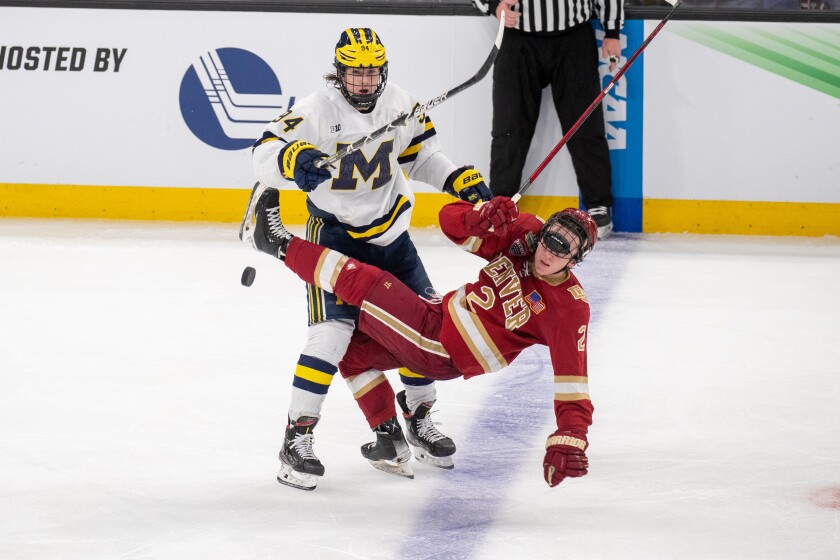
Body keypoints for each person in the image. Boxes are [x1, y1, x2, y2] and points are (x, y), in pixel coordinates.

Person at [248, 28, 494, 490]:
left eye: (371, 71)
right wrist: (293, 159)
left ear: (383, 71)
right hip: (336, 239)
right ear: (339, 72)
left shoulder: (400, 103)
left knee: (424, 329)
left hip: (393, 239)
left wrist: (456, 178)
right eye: (354, 72)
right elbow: (262, 152)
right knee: (330, 337)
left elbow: (423, 156)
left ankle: (418, 418)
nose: (363, 81)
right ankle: (295, 439)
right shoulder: (315, 110)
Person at [246, 187, 596, 488]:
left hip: (440, 350)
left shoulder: (569, 308)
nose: (550, 253)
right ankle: (389, 438)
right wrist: (481, 217)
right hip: (437, 318)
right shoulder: (525, 234)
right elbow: (449, 221)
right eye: (550, 239)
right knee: (351, 354)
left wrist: (571, 438)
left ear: (576, 259)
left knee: (365, 282)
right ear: (544, 230)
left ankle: (277, 243)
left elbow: (573, 384)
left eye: (563, 250)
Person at [472, 0, 624, 239]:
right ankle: (501, 204)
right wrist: (493, 5)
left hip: (573, 40)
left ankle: (597, 204)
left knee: (586, 126)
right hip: (517, 39)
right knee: (509, 129)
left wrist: (612, 30)